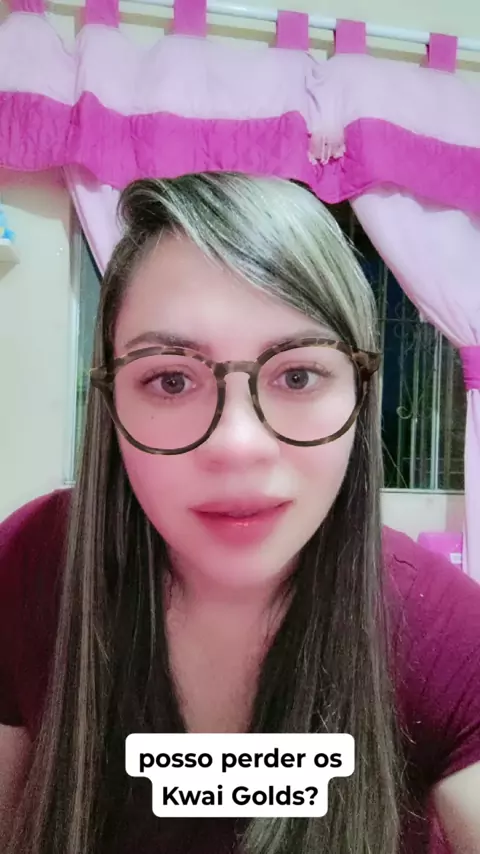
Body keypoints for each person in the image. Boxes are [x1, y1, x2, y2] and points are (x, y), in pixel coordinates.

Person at [1, 172, 479, 854]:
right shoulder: (32, 564)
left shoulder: (444, 631)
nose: (237, 445)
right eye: (170, 379)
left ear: (359, 395)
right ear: (110, 403)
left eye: (297, 376)